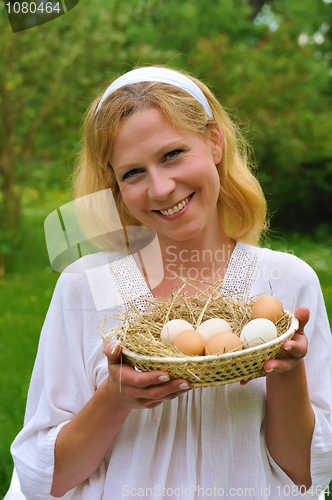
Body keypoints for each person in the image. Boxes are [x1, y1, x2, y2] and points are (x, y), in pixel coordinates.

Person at [9, 66, 332, 500]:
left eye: (172, 154)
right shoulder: (89, 287)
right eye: (132, 173)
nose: (160, 188)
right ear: (115, 188)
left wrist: (286, 373)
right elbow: (45, 480)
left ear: (215, 141)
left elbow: (306, 475)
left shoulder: (284, 282)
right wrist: (115, 398)